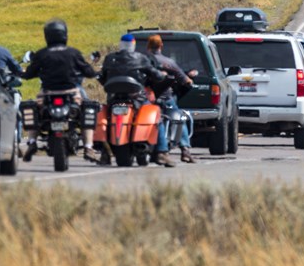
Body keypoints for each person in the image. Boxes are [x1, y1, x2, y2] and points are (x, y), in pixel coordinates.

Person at [20, 19, 98, 162]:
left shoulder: (42, 54)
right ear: (64, 35)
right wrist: (92, 72)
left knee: (34, 111)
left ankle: (31, 143)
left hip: (47, 94)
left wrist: (22, 73)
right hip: (71, 93)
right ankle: (88, 147)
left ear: (47, 36)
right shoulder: (73, 53)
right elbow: (88, 71)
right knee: (88, 108)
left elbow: (29, 74)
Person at [97, 35, 172, 167]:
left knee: (106, 118)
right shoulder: (141, 58)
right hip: (136, 98)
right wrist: (162, 75)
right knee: (157, 117)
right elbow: (156, 75)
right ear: (133, 44)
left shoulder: (110, 58)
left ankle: (105, 152)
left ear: (120, 44)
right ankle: (161, 152)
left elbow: (102, 78)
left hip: (114, 98)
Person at [146, 35, 195, 163]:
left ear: (148, 46)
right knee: (179, 119)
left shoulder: (145, 61)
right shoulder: (169, 62)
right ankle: (185, 150)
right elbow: (184, 79)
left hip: (149, 99)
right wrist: (189, 80)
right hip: (166, 97)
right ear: (161, 45)